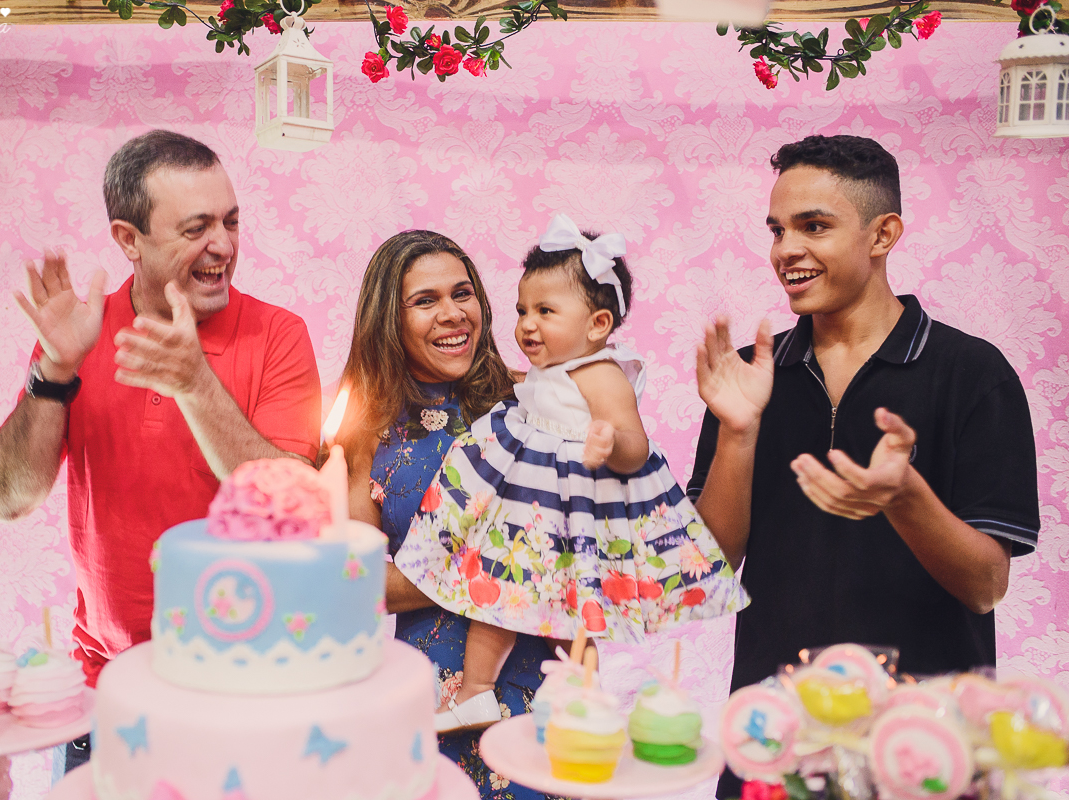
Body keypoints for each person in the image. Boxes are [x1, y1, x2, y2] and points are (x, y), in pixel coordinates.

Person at [686, 135, 1040, 799]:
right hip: (774, 744)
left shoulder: (972, 374)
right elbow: (706, 567)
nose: (786, 250)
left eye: (814, 226)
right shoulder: (750, 377)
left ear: (884, 234)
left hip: (928, 752)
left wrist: (905, 496)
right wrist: (738, 433)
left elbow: (987, 585)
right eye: (777, 229)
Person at [0, 130, 322, 778]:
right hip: (104, 697)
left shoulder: (278, 334)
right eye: (196, 228)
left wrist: (195, 383)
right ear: (128, 240)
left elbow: (298, 510)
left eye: (231, 221)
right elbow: (9, 498)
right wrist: (54, 370)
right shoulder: (80, 333)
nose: (222, 245)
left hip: (242, 697)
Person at [393, 214, 748, 733]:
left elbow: (636, 447)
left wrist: (611, 442)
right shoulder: (548, 371)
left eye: (545, 311)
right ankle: (479, 691)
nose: (526, 324)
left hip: (568, 519)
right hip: (534, 511)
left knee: (560, 619)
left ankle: (578, 700)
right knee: (500, 601)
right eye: (521, 310)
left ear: (597, 325)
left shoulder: (599, 373)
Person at [335, 230, 553, 800]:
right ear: (389, 319)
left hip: (540, 678)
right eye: (425, 301)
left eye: (463, 293)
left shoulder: (534, 403)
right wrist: (485, 570)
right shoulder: (364, 437)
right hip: (429, 697)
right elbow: (354, 583)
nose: (453, 314)